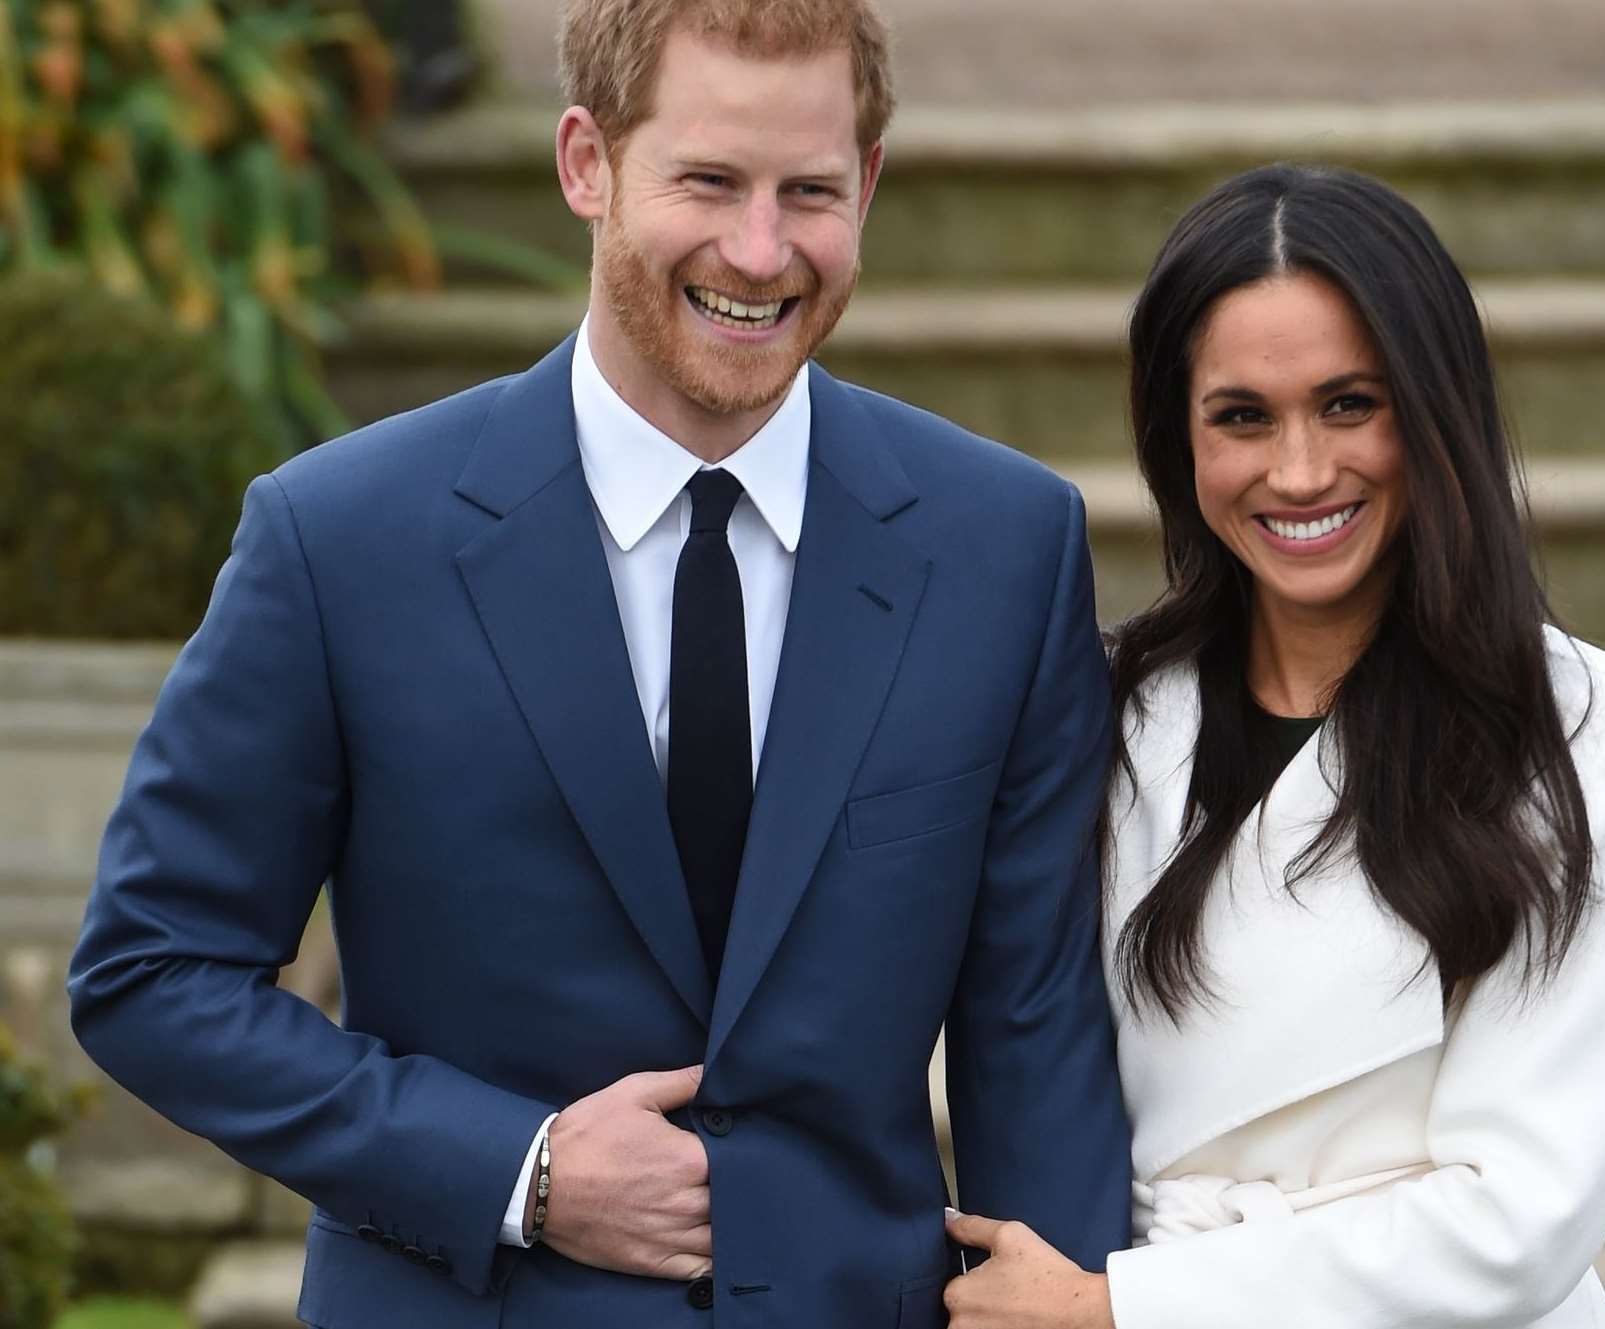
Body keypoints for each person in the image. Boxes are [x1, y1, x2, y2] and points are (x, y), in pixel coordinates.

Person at [66, 1, 1131, 1325]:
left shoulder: (1005, 549)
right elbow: (152, 973)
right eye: (708, 181)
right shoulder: (340, 541)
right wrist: (518, 1167)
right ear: (586, 163)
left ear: (867, 183)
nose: (761, 249)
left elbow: (1036, 1038)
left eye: (809, 190)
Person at [941, 163, 1605, 1329]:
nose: (1298, 473)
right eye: (1242, 417)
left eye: (1351, 404)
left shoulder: (1590, 738)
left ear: (1436, 409)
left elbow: (1520, 1219)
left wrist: (1127, 1309)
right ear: (1176, 440)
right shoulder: (1105, 708)